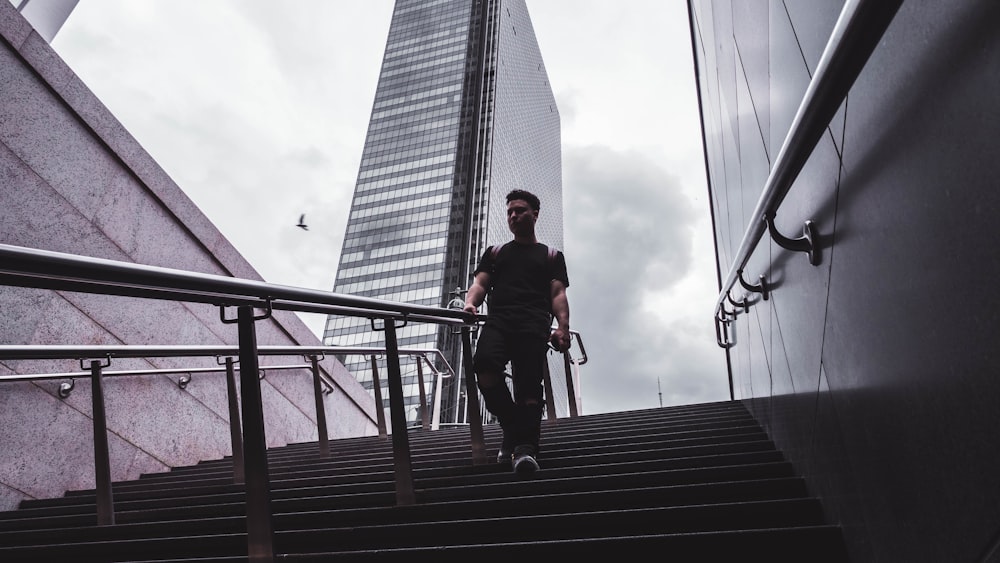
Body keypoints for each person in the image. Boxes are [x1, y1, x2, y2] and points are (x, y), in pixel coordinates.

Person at [463, 189, 571, 474]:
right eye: (510, 211)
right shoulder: (496, 253)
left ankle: (526, 450)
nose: (513, 216)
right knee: (484, 366)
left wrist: (562, 327)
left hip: (533, 324)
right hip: (498, 321)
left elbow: (557, 293)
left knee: (528, 388)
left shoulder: (550, 255)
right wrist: (471, 304)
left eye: (520, 210)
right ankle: (511, 423)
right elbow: (480, 284)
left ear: (534, 214)